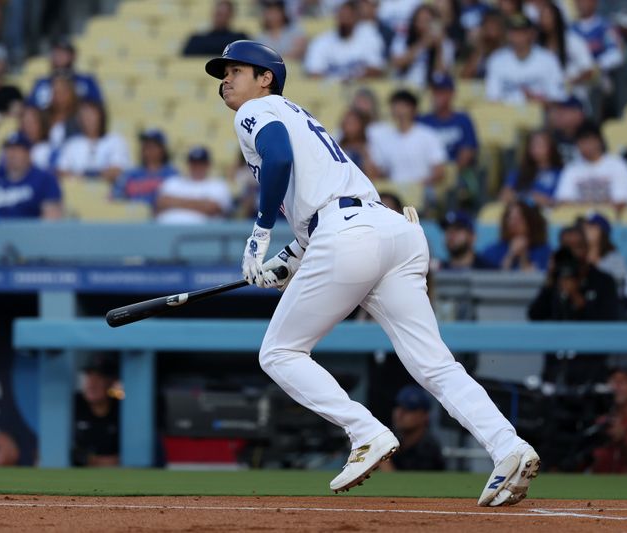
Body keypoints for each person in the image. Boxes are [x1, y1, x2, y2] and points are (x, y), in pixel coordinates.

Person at [204, 39, 539, 503]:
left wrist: (259, 236)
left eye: (236, 70)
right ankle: (509, 447)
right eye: (224, 72)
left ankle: (365, 433)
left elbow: (279, 161)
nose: (226, 79)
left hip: (348, 234)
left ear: (266, 79)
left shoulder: (256, 111)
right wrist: (287, 259)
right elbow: (317, 209)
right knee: (435, 364)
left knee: (279, 353)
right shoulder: (299, 117)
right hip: (390, 229)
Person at [528, 225, 619, 384]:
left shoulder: (603, 281)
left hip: (590, 370)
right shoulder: (555, 281)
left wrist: (576, 297)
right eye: (566, 247)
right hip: (555, 369)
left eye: (577, 247)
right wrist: (550, 282)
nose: (571, 253)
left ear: (586, 249)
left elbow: (607, 324)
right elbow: (534, 315)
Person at [368, 89, 447, 185]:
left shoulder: (428, 135)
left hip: (423, 188)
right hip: (394, 190)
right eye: (395, 105)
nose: (399, 110)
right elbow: (381, 170)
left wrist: (420, 186)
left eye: (403, 106)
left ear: (413, 109)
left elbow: (439, 170)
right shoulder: (384, 137)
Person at [555, 121, 627, 209]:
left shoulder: (617, 165)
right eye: (581, 142)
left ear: (598, 141)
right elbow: (563, 202)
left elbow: (622, 202)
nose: (585, 146)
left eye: (588, 141)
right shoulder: (571, 169)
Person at [485, 14, 566, 105]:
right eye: (514, 32)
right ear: (508, 34)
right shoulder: (496, 60)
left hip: (541, 113)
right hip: (506, 113)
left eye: (522, 32)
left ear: (531, 33)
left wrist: (536, 100)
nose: (518, 37)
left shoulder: (548, 59)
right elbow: (493, 98)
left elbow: (558, 97)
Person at [303, 0, 386, 81]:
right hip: (329, 91)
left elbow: (376, 68)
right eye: (341, 16)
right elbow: (314, 73)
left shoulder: (370, 37)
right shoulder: (322, 41)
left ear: (356, 18)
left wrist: (350, 79)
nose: (344, 21)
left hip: (358, 87)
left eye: (348, 17)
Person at [0, 132, 63, 219]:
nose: (12, 154)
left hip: (32, 231)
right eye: (8, 149)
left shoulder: (45, 180)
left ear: (28, 154)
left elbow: (52, 219)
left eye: (17, 150)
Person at [56, 99, 131, 182]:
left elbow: (117, 171)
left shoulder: (115, 140)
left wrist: (84, 175)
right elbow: (62, 172)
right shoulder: (71, 144)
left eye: (92, 114)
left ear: (101, 115)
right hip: (78, 192)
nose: (88, 119)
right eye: (84, 115)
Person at [418, 72, 479, 173]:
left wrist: (450, 174)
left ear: (452, 94)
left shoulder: (463, 120)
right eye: (435, 92)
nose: (437, 96)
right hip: (428, 172)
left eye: (442, 92)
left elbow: (467, 152)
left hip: (456, 174)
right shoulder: (422, 121)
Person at [537, 1, 595, 105]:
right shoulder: (536, 46)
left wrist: (569, 82)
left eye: (548, 17)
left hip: (572, 95)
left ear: (557, 18)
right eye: (542, 17)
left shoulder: (573, 41)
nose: (545, 21)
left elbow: (588, 71)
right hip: (544, 96)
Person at [156, 146, 233, 224]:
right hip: (167, 229)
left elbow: (212, 208)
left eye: (201, 163)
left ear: (208, 165)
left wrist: (175, 201)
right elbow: (161, 202)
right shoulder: (172, 182)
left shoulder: (218, 185)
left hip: (201, 233)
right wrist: (201, 203)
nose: (197, 167)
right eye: (194, 163)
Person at [378, 385, 445, 471]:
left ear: (424, 416)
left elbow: (415, 482)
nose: (400, 413)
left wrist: (383, 462)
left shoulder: (429, 448)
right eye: (398, 407)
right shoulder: (391, 439)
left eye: (409, 409)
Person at [389, 4, 455, 89]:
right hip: (405, 87)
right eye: (420, 21)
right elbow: (397, 63)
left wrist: (439, 47)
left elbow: (441, 74)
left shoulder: (445, 43)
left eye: (428, 21)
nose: (423, 25)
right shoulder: (403, 39)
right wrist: (422, 44)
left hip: (431, 89)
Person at [72, 355, 120, 467]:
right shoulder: (73, 405)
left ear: (111, 382)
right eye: (88, 376)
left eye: (99, 377)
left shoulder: (121, 409)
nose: (91, 383)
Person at [28, 38, 102, 110]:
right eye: (56, 52)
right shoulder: (41, 83)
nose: (59, 56)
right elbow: (30, 108)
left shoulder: (86, 81)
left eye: (63, 52)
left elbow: (96, 108)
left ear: (73, 56)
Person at [112, 128, 179, 205]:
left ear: (162, 149)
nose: (148, 150)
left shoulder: (172, 174)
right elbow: (116, 197)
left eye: (152, 146)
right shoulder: (130, 174)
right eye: (145, 146)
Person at [481, 200, 551, 271]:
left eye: (519, 218)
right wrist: (510, 255)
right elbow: (492, 277)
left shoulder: (543, 251)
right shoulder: (492, 251)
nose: (513, 222)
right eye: (510, 218)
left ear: (530, 221)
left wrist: (523, 258)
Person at [500, 129, 563, 207]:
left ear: (551, 147)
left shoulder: (561, 174)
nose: (536, 149)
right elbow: (505, 196)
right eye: (533, 145)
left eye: (540, 145)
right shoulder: (518, 172)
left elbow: (561, 201)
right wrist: (529, 198)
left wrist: (543, 200)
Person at [183, 0, 250, 56]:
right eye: (219, 14)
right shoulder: (196, 40)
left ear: (231, 16)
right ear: (212, 14)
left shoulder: (240, 39)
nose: (221, 18)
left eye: (225, 14)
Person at [460, 8, 505, 79]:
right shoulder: (480, 48)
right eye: (487, 24)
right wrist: (480, 49)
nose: (489, 27)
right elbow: (465, 77)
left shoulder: (508, 51)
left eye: (493, 24)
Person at [580, 212, 627, 281]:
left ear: (602, 232)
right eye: (585, 226)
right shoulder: (577, 257)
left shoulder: (615, 260)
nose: (586, 230)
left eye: (591, 226)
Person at [548, 96, 586, 165]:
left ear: (578, 114)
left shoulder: (592, 136)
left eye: (563, 111)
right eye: (556, 110)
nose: (557, 115)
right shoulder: (550, 138)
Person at [337, 107, 374, 174]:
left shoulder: (371, 144)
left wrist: (365, 155)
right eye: (347, 123)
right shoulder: (337, 146)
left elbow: (374, 175)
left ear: (361, 125)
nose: (349, 127)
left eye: (353, 123)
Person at [18, 103, 54, 171]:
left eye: (32, 123)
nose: (27, 128)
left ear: (42, 125)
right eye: (24, 123)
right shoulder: (12, 149)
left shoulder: (50, 150)